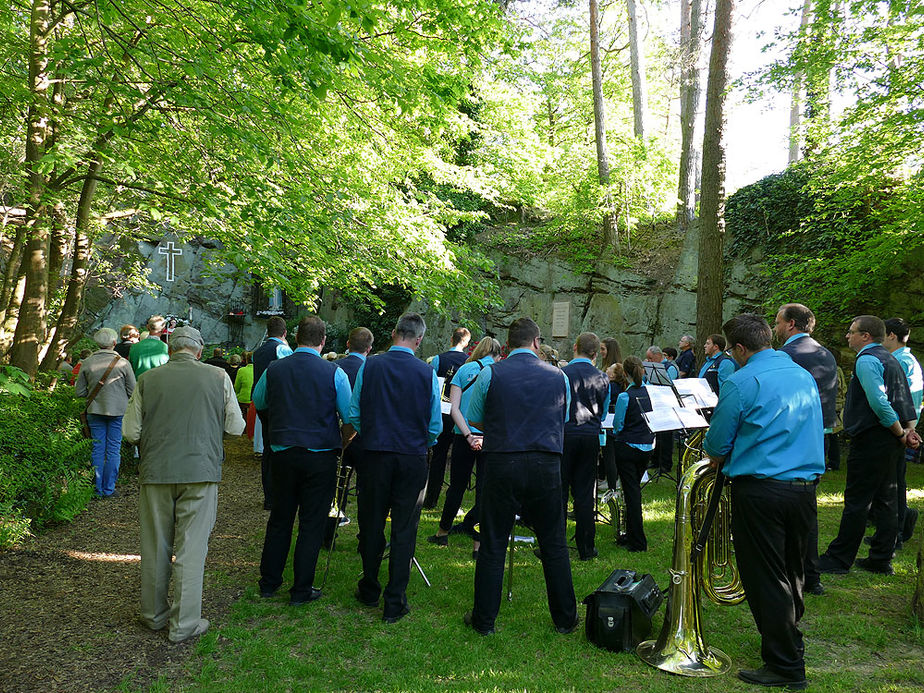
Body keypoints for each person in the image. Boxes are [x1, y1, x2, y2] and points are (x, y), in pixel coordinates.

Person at [703, 313, 824, 691]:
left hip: (761, 489)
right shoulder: (801, 375)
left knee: (766, 578)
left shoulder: (742, 380)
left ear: (739, 348)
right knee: (793, 572)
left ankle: (785, 664)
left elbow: (717, 444)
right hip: (803, 488)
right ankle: (790, 643)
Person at [123, 326, 245, 643]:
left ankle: (153, 615)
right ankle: (184, 624)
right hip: (200, 471)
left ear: (171, 349)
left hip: (156, 472)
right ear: (200, 351)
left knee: (155, 546)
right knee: (192, 550)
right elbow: (235, 426)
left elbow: (131, 432)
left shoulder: (148, 380)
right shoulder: (218, 378)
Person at [463, 317, 578, 636]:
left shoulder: (490, 373)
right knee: (553, 542)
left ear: (508, 344)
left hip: (502, 462)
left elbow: (475, 419)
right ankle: (565, 619)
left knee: (493, 541)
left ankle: (484, 621)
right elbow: (562, 419)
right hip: (546, 464)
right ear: (537, 343)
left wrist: (504, 427)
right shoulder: (559, 376)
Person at [348, 313, 442, 623]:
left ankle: (370, 586)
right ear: (419, 340)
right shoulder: (427, 373)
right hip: (410, 456)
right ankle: (394, 599)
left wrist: (372, 435)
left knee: (372, 523)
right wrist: (420, 442)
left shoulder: (370, 365)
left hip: (375, 453)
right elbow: (434, 424)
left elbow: (354, 412)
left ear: (392, 333)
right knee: (404, 528)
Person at [252, 316, 353, 605]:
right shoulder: (334, 372)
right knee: (311, 522)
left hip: (283, 453)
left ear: (295, 338)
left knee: (280, 519)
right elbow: (349, 415)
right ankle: (301, 589)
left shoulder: (274, 369)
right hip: (320, 455)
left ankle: (269, 582)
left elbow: (260, 402)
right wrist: (344, 441)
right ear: (323, 341)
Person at [818, 316, 919, 576]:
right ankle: (881, 558)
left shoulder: (867, 360)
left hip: (874, 439)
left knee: (857, 501)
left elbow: (880, 403)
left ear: (866, 336)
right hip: (889, 440)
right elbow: (906, 398)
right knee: (886, 499)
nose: (847, 336)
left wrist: (899, 433)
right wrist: (909, 430)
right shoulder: (891, 359)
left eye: (851, 332)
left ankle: (839, 559)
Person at [775, 302, 839, 597]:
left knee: (786, 507)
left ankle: (792, 572)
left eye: (777, 322)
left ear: (790, 324)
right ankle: (811, 575)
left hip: (793, 437)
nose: (775, 328)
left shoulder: (786, 356)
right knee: (807, 507)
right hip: (820, 437)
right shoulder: (825, 353)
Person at [427, 337, 503, 559]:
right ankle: (478, 545)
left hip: (463, 435)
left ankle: (442, 532)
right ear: (497, 354)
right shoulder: (499, 372)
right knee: (483, 490)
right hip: (489, 437)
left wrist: (468, 435)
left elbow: (454, 408)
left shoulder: (464, 369)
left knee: (456, 487)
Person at [323, 326, 374, 547]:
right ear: (369, 349)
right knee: (367, 490)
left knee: (337, 488)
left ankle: (328, 534)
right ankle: (366, 537)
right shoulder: (373, 369)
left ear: (347, 344)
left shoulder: (333, 367)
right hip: (365, 438)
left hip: (338, 436)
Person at [560, 333, 610, 560]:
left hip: (565, 434)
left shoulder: (562, 374)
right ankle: (586, 547)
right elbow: (604, 409)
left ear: (574, 347)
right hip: (590, 435)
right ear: (596, 354)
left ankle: (556, 544)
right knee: (584, 493)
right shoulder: (603, 377)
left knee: (559, 490)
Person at [75, 328, 136, 498]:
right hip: (117, 411)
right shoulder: (123, 363)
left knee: (97, 449)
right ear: (114, 343)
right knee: (113, 450)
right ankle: (109, 488)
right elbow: (133, 390)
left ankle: (97, 488)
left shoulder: (87, 362)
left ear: (97, 343)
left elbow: (79, 392)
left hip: (94, 410)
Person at [882, 317, 922, 545]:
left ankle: (898, 527)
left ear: (891, 335)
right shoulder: (908, 360)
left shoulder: (899, 362)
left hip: (897, 428)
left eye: (882, 334)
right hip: (905, 427)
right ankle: (897, 523)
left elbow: (898, 399)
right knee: (894, 477)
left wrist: (905, 430)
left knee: (892, 480)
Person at [423, 327, 471, 509]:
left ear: (451, 339)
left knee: (438, 457)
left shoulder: (438, 359)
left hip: (441, 413)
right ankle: (453, 502)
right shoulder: (468, 362)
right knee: (458, 460)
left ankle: (431, 499)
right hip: (459, 415)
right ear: (466, 343)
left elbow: (432, 388)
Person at [611, 356, 655, 552]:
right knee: (633, 490)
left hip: (627, 447)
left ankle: (637, 541)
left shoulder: (624, 397)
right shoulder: (651, 393)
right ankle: (630, 534)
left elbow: (618, 425)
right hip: (646, 447)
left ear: (626, 374)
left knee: (632, 494)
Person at [252, 316, 294, 509]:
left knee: (269, 448)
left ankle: (269, 495)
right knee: (281, 448)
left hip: (262, 403)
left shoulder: (258, 352)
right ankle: (280, 494)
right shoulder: (282, 349)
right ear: (284, 333)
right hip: (280, 405)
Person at [643, 346, 676, 475]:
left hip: (666, 404)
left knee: (666, 436)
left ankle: (666, 464)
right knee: (656, 434)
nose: (649, 360)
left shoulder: (670, 367)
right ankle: (656, 460)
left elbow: (670, 385)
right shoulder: (651, 367)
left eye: (651, 358)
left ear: (658, 356)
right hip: (654, 402)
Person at [233, 352, 253, 419]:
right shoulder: (260, 369)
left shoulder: (241, 370)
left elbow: (236, 387)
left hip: (243, 400)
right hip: (254, 401)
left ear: (246, 360)